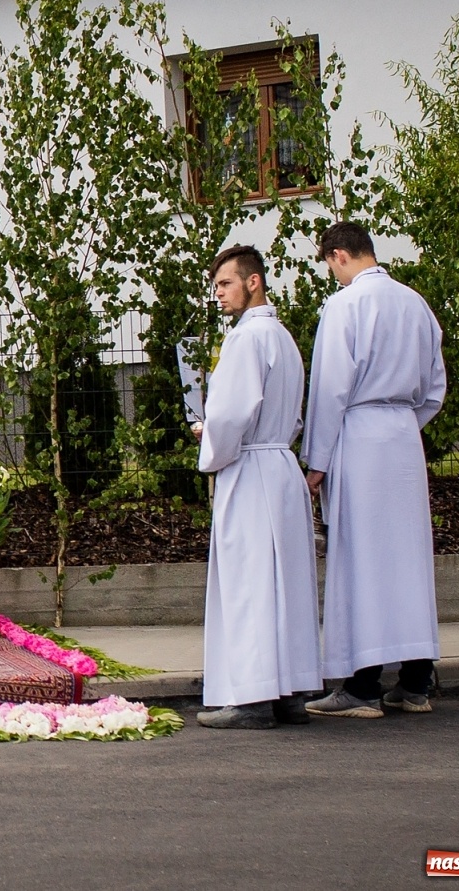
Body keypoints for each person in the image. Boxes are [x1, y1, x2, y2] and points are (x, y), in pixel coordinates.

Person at [302, 222, 447, 717]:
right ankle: (415, 681)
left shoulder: (345, 305)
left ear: (339, 255)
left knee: (361, 559)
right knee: (408, 560)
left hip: (360, 434)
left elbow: (329, 389)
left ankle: (362, 687)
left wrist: (317, 461)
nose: (333, 276)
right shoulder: (416, 304)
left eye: (330, 266)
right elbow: (435, 388)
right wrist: (403, 422)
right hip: (403, 437)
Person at [192, 246, 322, 729]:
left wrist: (209, 440)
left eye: (225, 284)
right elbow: (291, 410)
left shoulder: (246, 339)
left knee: (250, 583)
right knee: (285, 584)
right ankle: (290, 692)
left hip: (249, 467)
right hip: (281, 463)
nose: (219, 294)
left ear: (254, 282)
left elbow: (230, 414)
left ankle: (252, 698)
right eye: (216, 286)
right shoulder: (283, 337)